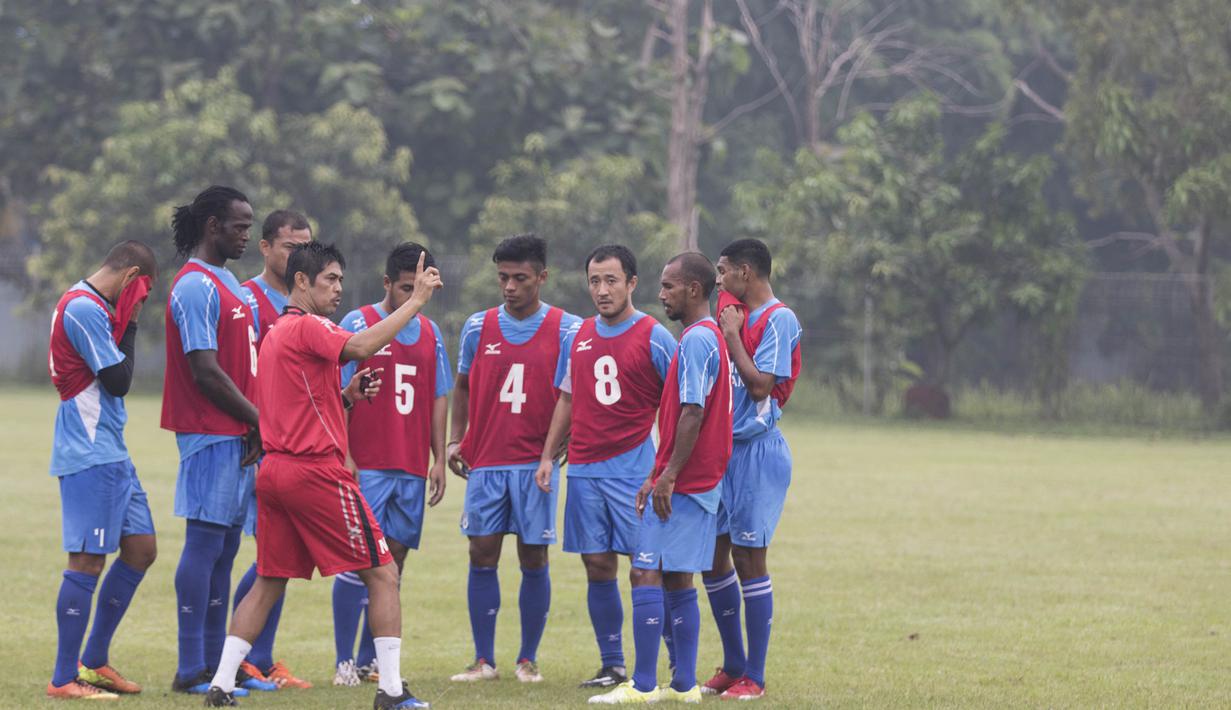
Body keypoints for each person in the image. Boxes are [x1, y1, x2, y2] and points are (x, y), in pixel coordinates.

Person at [202, 241, 441, 708]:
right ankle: (391, 691)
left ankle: (221, 684)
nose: (338, 288)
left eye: (341, 280)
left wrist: (348, 396)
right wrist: (415, 302)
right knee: (384, 573)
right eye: (330, 279)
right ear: (301, 282)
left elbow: (300, 405)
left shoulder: (276, 333)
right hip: (314, 471)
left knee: (270, 578)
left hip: (275, 471)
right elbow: (362, 343)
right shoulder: (309, 325)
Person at [589, 252, 732, 705]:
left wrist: (667, 476)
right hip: (697, 479)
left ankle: (645, 685)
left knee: (644, 572)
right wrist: (657, 474)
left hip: (687, 483)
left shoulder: (693, 341)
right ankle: (685, 685)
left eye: (669, 286)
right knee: (677, 579)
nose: (661, 293)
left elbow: (693, 412)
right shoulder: (708, 338)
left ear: (693, 289)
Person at [533, 245, 676, 689]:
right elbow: (568, 397)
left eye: (611, 280)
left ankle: (671, 663)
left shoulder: (655, 335)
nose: (602, 290)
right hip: (584, 472)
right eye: (594, 281)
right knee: (597, 564)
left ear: (632, 283)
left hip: (635, 470)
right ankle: (612, 664)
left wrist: (668, 466)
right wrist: (547, 454)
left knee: (646, 567)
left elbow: (681, 403)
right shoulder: (579, 335)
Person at [446, 233, 581, 683]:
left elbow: (572, 395)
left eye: (520, 278)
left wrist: (559, 446)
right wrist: (455, 440)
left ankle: (528, 658)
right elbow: (462, 385)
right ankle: (484, 660)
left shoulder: (567, 328)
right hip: (486, 461)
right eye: (503, 277)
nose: (509, 286)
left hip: (534, 465)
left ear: (542, 277)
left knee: (533, 558)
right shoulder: (476, 326)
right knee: (481, 552)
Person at [331, 242, 452, 687]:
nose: (412, 296)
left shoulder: (431, 333)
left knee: (394, 561)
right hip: (367, 464)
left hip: (410, 465)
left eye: (420, 289)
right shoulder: (358, 324)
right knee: (355, 560)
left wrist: (438, 459)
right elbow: (335, 393)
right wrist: (344, 454)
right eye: (405, 288)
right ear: (387, 284)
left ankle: (367, 659)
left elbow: (439, 395)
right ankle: (344, 661)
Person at [162, 185, 268, 695]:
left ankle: (211, 665)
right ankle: (190, 667)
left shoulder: (231, 282)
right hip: (209, 432)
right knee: (204, 544)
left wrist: (252, 423)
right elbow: (205, 371)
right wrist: (259, 421)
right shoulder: (193, 287)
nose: (246, 233)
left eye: (249, 225)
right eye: (240, 225)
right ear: (212, 226)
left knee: (225, 548)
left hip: (238, 432)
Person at [45, 240, 158, 700]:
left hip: (112, 451)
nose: (141, 306)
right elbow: (119, 381)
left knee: (141, 549)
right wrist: (130, 323)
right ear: (131, 278)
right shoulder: (83, 308)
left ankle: (93, 661)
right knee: (88, 561)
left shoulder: (91, 305)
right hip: (90, 453)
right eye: (145, 296)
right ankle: (62, 679)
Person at [700, 238, 802, 700]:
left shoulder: (779, 319)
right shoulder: (732, 314)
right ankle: (734, 663)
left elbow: (761, 387)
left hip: (758, 453)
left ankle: (755, 678)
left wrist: (733, 338)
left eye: (722, 271)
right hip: (723, 450)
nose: (718, 280)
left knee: (748, 559)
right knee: (712, 558)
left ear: (745, 271)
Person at [229, 209, 314, 690]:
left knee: (279, 555)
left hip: (296, 445)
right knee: (271, 557)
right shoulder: (245, 298)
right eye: (289, 245)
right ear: (265, 248)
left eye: (306, 245)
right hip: (261, 444)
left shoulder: (307, 301)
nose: (299, 254)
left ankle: (259, 656)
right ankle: (244, 657)